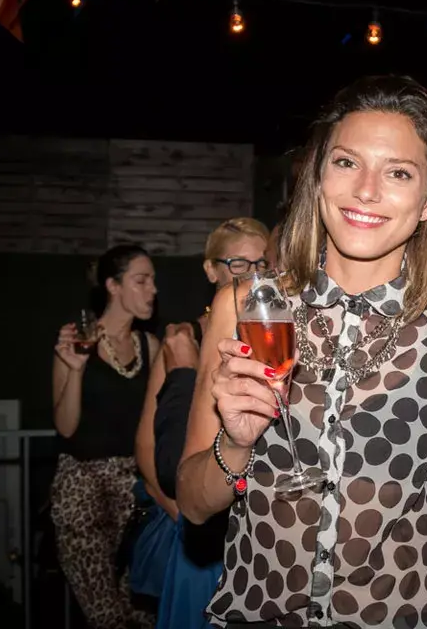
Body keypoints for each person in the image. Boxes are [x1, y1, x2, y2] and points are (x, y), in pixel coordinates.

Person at [176, 75, 427, 628]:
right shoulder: (247, 309)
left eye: (398, 173)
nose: (366, 191)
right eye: (347, 163)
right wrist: (235, 442)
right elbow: (191, 502)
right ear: (319, 177)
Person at [134, 217, 269, 627]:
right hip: (200, 533)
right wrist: (186, 516)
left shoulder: (273, 338)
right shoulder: (183, 340)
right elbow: (145, 449)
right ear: (211, 269)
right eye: (240, 264)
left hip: (260, 535)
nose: (255, 275)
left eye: (264, 264)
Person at [51, 244, 159, 629]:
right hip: (83, 491)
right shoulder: (77, 339)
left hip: (136, 494)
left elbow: (157, 423)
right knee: (106, 618)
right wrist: (75, 369)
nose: (152, 290)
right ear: (113, 286)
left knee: (142, 614)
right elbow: (65, 427)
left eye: (153, 281)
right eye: (141, 280)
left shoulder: (151, 345)